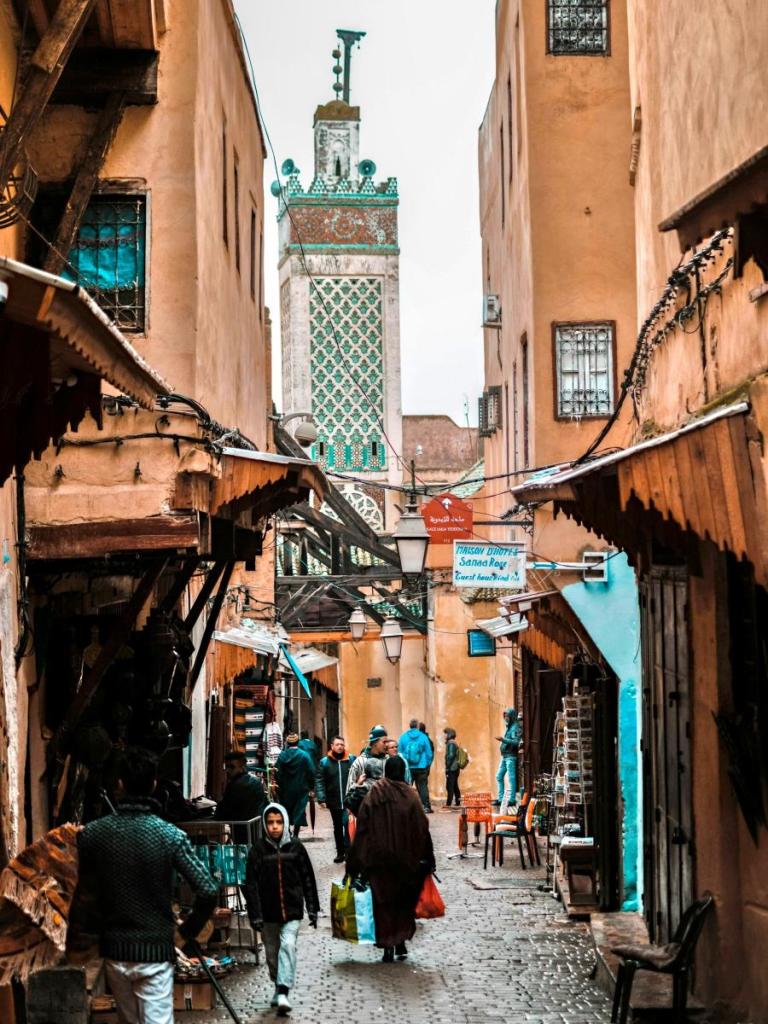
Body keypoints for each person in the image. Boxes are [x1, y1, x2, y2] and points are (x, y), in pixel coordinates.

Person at [76, 747, 218, 1024]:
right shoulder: (169, 835)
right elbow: (208, 889)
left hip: (115, 951)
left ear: (119, 784)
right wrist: (187, 932)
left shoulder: (94, 834)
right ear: (154, 785)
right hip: (155, 950)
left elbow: (83, 891)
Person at [346, 756, 435, 963]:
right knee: (403, 902)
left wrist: (355, 861)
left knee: (383, 904)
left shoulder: (374, 794)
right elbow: (422, 829)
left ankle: (388, 945)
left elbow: (363, 830)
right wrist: (427, 858)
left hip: (378, 861)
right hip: (406, 860)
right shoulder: (410, 796)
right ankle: (400, 941)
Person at [244, 803, 319, 1017]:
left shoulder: (296, 848)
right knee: (271, 954)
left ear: (285, 822)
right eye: (270, 822)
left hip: (293, 910)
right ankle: (278, 984)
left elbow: (307, 879)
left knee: (288, 945)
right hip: (268, 914)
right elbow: (251, 885)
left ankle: (284, 990)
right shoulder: (257, 851)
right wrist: (256, 914)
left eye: (278, 822)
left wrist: (312, 909)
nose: (275, 827)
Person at [315, 736, 355, 863]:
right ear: (332, 746)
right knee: (337, 827)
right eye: (337, 744)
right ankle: (340, 852)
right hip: (334, 800)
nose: (340, 747)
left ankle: (348, 851)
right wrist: (321, 797)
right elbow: (320, 780)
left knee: (346, 824)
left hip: (348, 801)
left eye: (342, 744)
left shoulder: (351, 760)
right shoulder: (325, 762)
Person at [214, 750, 268, 841]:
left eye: (232, 767)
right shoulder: (256, 782)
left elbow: (223, 811)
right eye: (226, 767)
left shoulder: (235, 786)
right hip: (257, 831)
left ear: (242, 767)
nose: (227, 770)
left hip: (242, 833)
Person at [276, 734, 316, 836]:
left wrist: (279, 786)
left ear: (287, 743)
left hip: (285, 789)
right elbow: (311, 771)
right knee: (299, 811)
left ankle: (288, 831)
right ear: (298, 742)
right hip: (301, 788)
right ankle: (296, 834)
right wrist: (311, 786)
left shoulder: (282, 756)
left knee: (286, 810)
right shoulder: (304, 755)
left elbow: (277, 773)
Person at [399, 718, 434, 813]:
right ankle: (426, 807)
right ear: (417, 726)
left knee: (406, 787)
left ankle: (405, 806)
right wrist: (427, 764)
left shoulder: (403, 737)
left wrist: (403, 764)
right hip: (421, 767)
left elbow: (400, 752)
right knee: (422, 787)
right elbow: (429, 753)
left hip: (408, 767)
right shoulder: (423, 737)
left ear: (410, 726)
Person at [346, 725, 388, 795]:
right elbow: (349, 791)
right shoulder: (359, 762)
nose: (386, 745)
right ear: (375, 743)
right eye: (384, 742)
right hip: (366, 804)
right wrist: (359, 785)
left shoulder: (388, 760)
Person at [494, 707, 522, 807]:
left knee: (511, 778)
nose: (506, 718)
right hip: (505, 756)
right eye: (505, 716)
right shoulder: (509, 727)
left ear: (512, 717)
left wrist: (503, 740)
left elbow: (516, 742)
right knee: (499, 776)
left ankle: (512, 799)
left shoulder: (515, 727)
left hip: (511, 756)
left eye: (507, 716)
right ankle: (500, 799)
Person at [443, 727, 461, 808]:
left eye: (446, 734)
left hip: (452, 768)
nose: (444, 735)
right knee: (454, 785)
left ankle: (448, 803)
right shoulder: (453, 743)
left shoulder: (451, 743)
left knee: (449, 786)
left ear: (449, 734)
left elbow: (450, 756)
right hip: (455, 768)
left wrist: (447, 767)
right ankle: (458, 801)